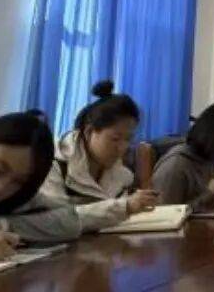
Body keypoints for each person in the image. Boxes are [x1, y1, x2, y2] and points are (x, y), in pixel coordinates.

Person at [32, 81, 158, 234]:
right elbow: (54, 221)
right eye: (115, 139)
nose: (123, 148)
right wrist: (124, 207)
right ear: (89, 132)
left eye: (128, 139)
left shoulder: (122, 175)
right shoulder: (52, 162)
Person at [0, 113, 55, 261]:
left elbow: (71, 220)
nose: (0, 188)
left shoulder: (19, 198)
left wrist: (2, 224)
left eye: (18, 182)